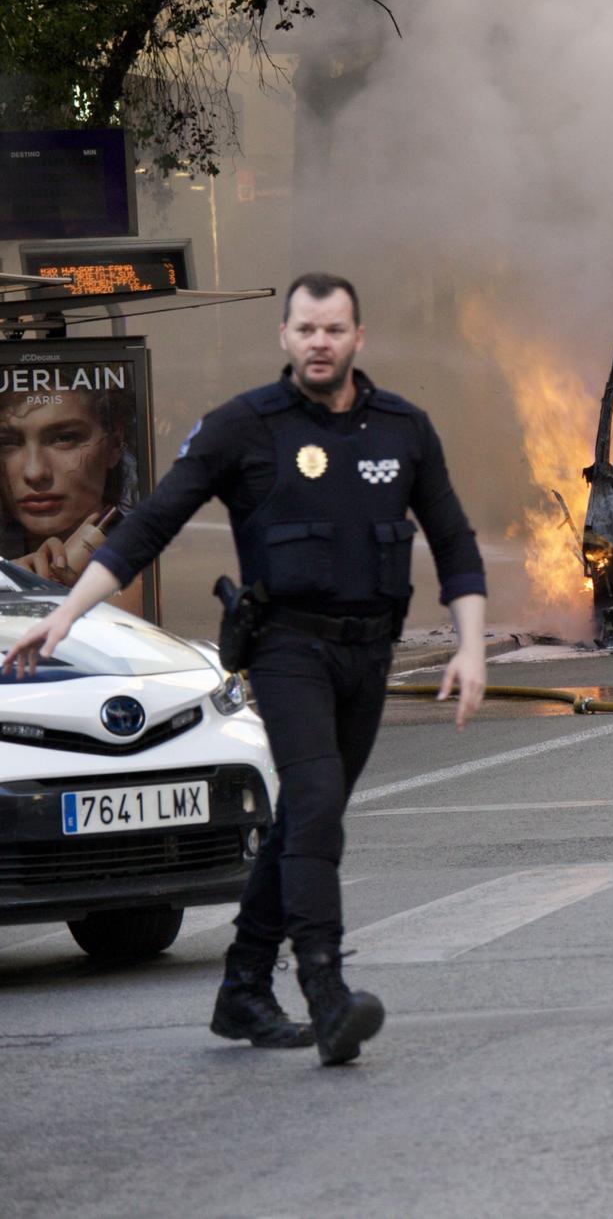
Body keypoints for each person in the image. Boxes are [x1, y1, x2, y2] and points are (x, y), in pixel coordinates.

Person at [1, 272, 490, 1067]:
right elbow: (149, 525)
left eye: (334, 329)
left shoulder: (404, 428)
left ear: (357, 337)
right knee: (318, 802)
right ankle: (326, 991)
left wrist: (469, 644)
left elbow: (456, 541)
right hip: (286, 648)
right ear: (286, 338)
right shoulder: (243, 427)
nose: (319, 342)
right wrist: (64, 614)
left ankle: (242, 987)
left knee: (301, 814)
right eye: (305, 329)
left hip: (369, 653)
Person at [0, 380, 138, 604]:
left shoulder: (146, 578)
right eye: (7, 442)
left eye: (64, 438)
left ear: (114, 444)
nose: (35, 472)